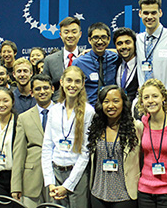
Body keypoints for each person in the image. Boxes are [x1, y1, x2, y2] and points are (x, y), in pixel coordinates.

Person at [42, 66, 95, 208]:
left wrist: (68, 185)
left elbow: (85, 152)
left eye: (77, 81)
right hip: (55, 174)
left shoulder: (88, 111)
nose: (73, 85)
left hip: (77, 175)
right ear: (62, 82)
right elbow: (47, 147)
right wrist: (50, 182)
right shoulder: (54, 111)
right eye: (69, 80)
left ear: (83, 84)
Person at [87, 85, 142, 208]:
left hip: (125, 196)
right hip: (98, 194)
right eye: (106, 102)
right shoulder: (96, 128)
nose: (111, 105)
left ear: (123, 103)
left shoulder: (136, 128)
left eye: (116, 101)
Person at [135, 78, 167, 208]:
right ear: (142, 102)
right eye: (146, 97)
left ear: (163, 98)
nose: (151, 100)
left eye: (155, 96)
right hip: (145, 190)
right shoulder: (143, 122)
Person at [11, 74, 55, 207]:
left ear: (52, 89)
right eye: (38, 89)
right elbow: (19, 153)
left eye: (46, 88)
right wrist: (15, 186)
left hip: (57, 178)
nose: (42, 92)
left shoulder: (63, 113)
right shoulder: (24, 118)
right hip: (31, 179)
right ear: (31, 92)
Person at [72, 22, 119, 105]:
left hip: (110, 108)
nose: (100, 42)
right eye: (96, 38)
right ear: (89, 40)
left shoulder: (115, 58)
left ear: (108, 39)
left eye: (103, 37)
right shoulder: (79, 62)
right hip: (88, 109)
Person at [43, 17, 83, 100]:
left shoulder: (87, 58)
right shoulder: (50, 60)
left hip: (82, 105)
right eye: (66, 32)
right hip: (57, 105)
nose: (70, 35)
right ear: (60, 35)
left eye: (74, 32)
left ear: (80, 34)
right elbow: (45, 87)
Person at [0, 87, 18, 196]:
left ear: (13, 101)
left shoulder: (18, 122)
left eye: (5, 101)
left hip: (14, 177)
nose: (1, 105)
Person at [113, 27, 139, 103]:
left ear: (134, 44)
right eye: (119, 43)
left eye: (127, 42)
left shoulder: (142, 65)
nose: (124, 47)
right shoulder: (115, 62)